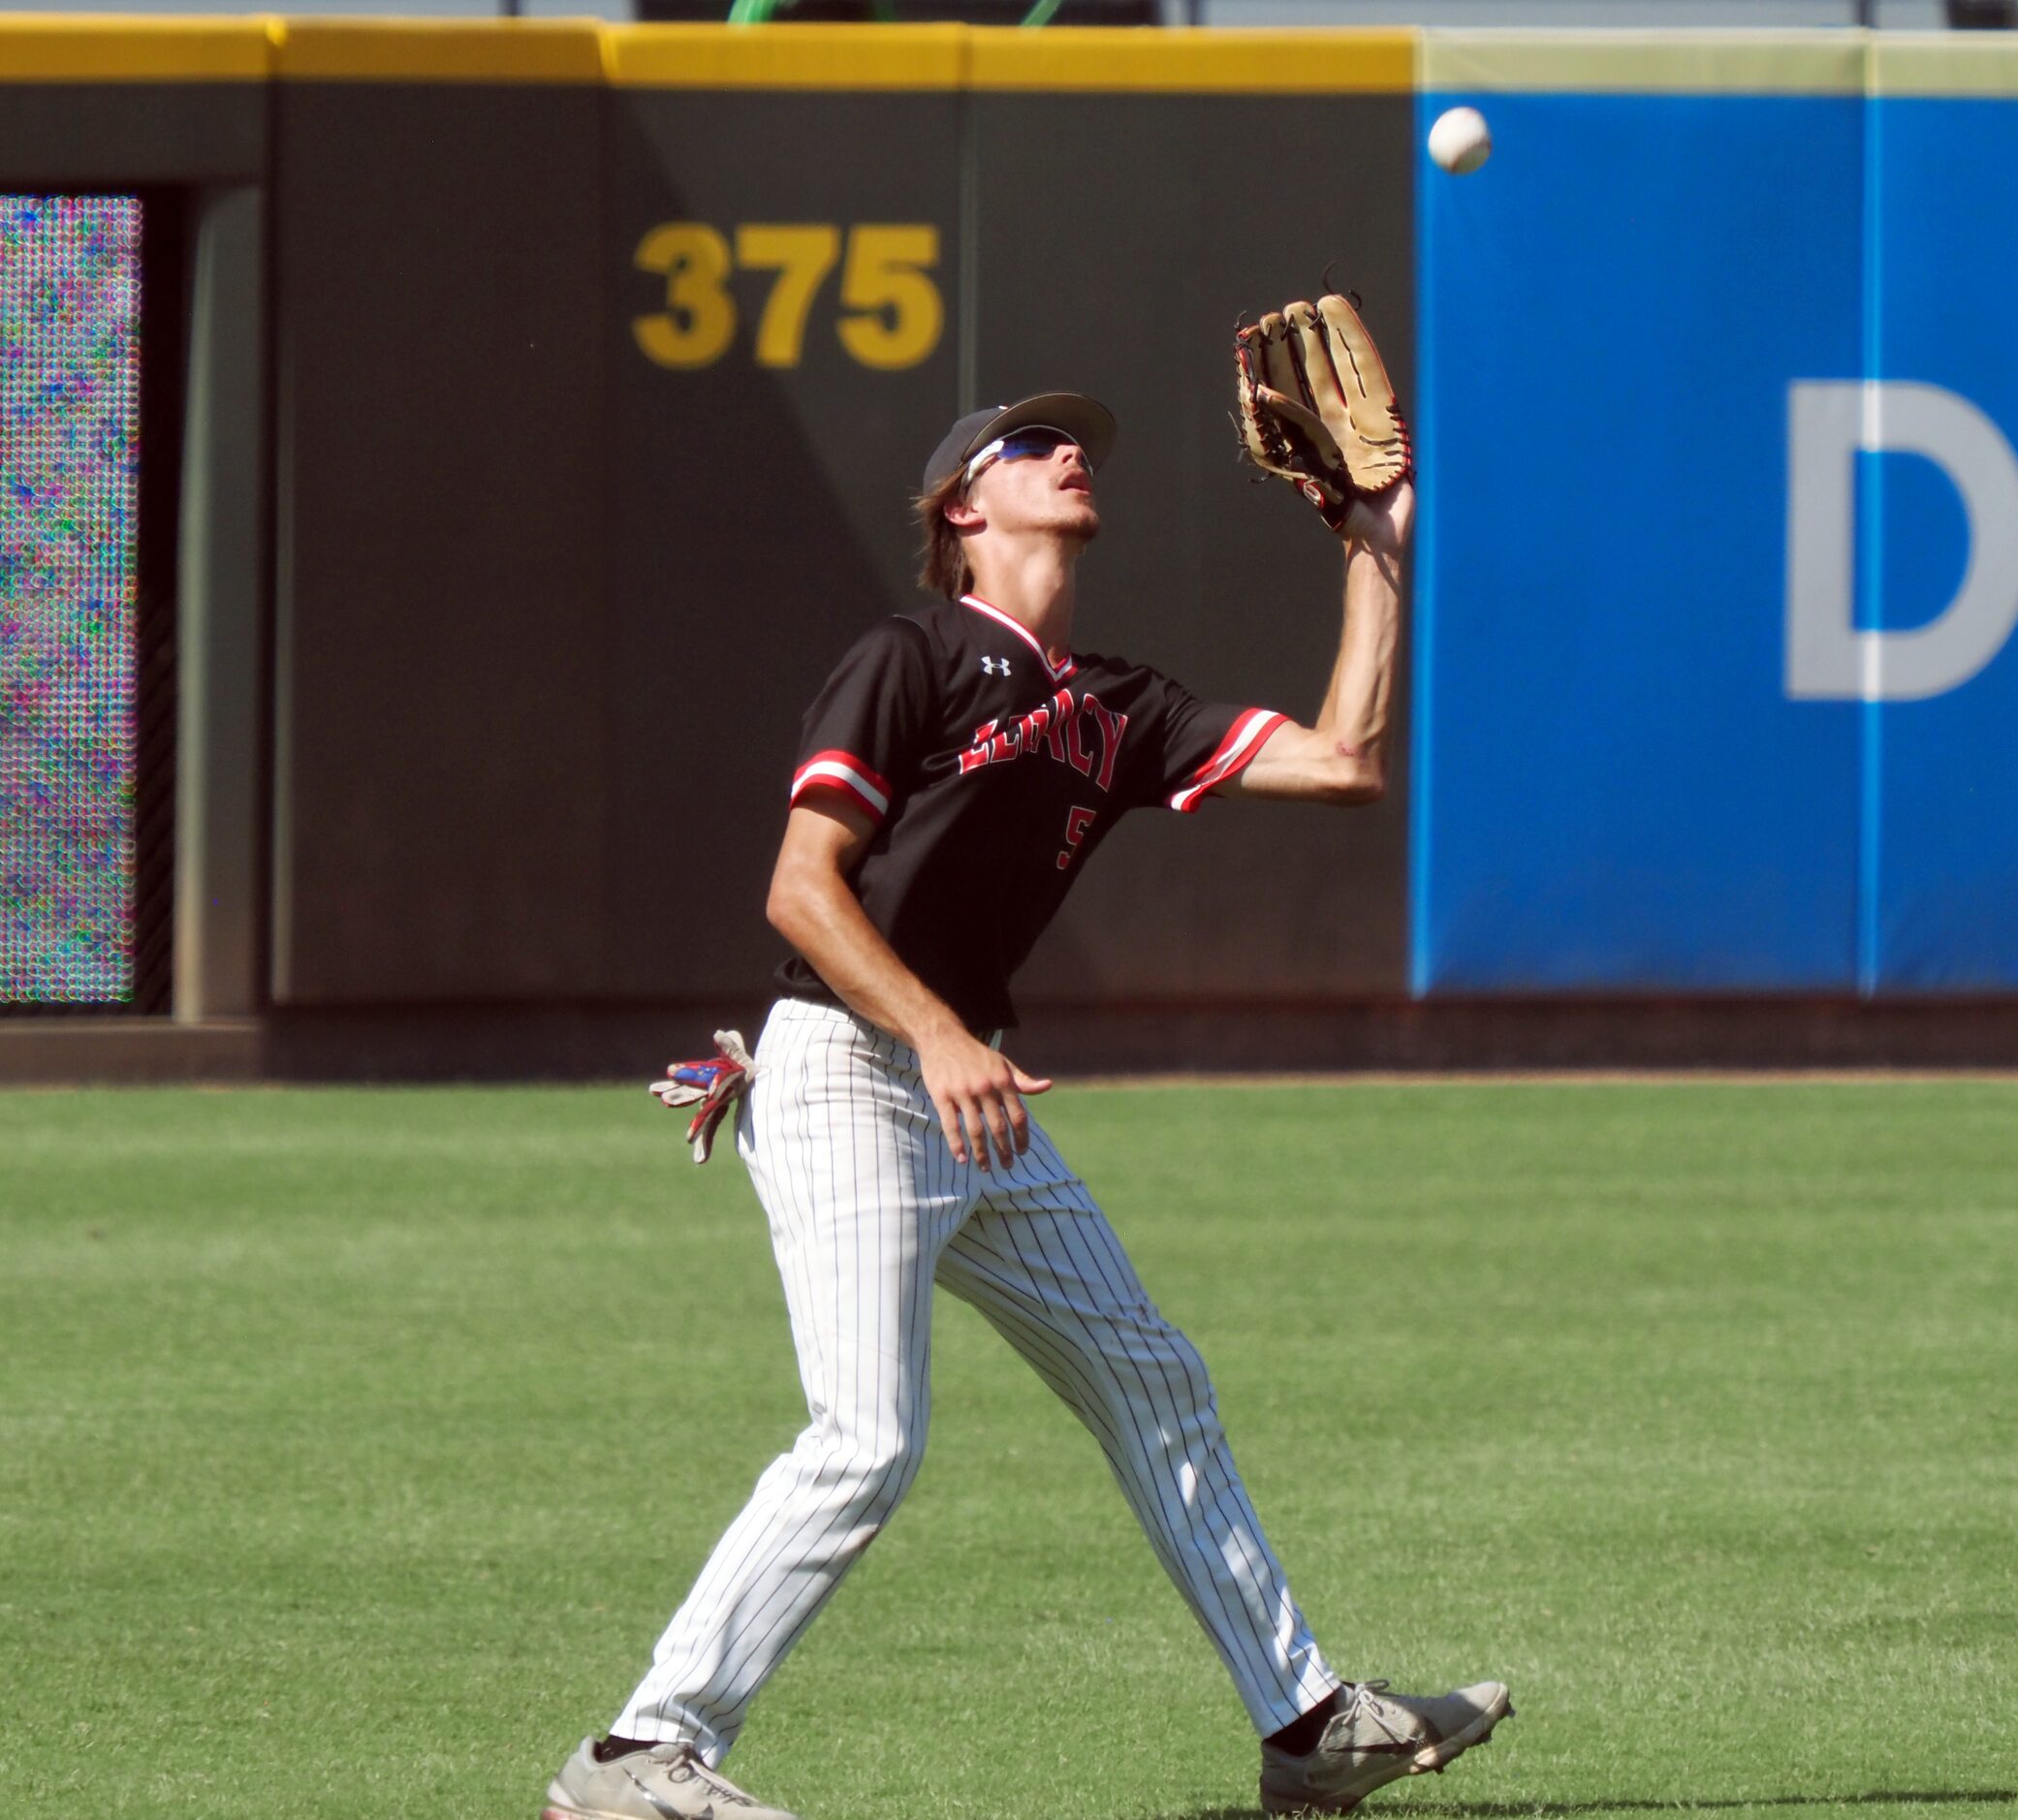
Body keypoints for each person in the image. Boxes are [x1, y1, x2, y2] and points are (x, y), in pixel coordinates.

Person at [543, 392, 1509, 1820]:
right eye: (1030, 444)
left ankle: (1308, 1724)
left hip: (968, 1093)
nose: (1072, 453)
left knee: (1152, 1378)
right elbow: (799, 890)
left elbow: (1344, 761)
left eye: (1080, 444)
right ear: (959, 508)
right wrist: (935, 1034)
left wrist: (1373, 547)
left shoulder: (1113, 705)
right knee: (865, 1439)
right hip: (850, 1070)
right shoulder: (910, 654)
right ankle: (638, 1753)